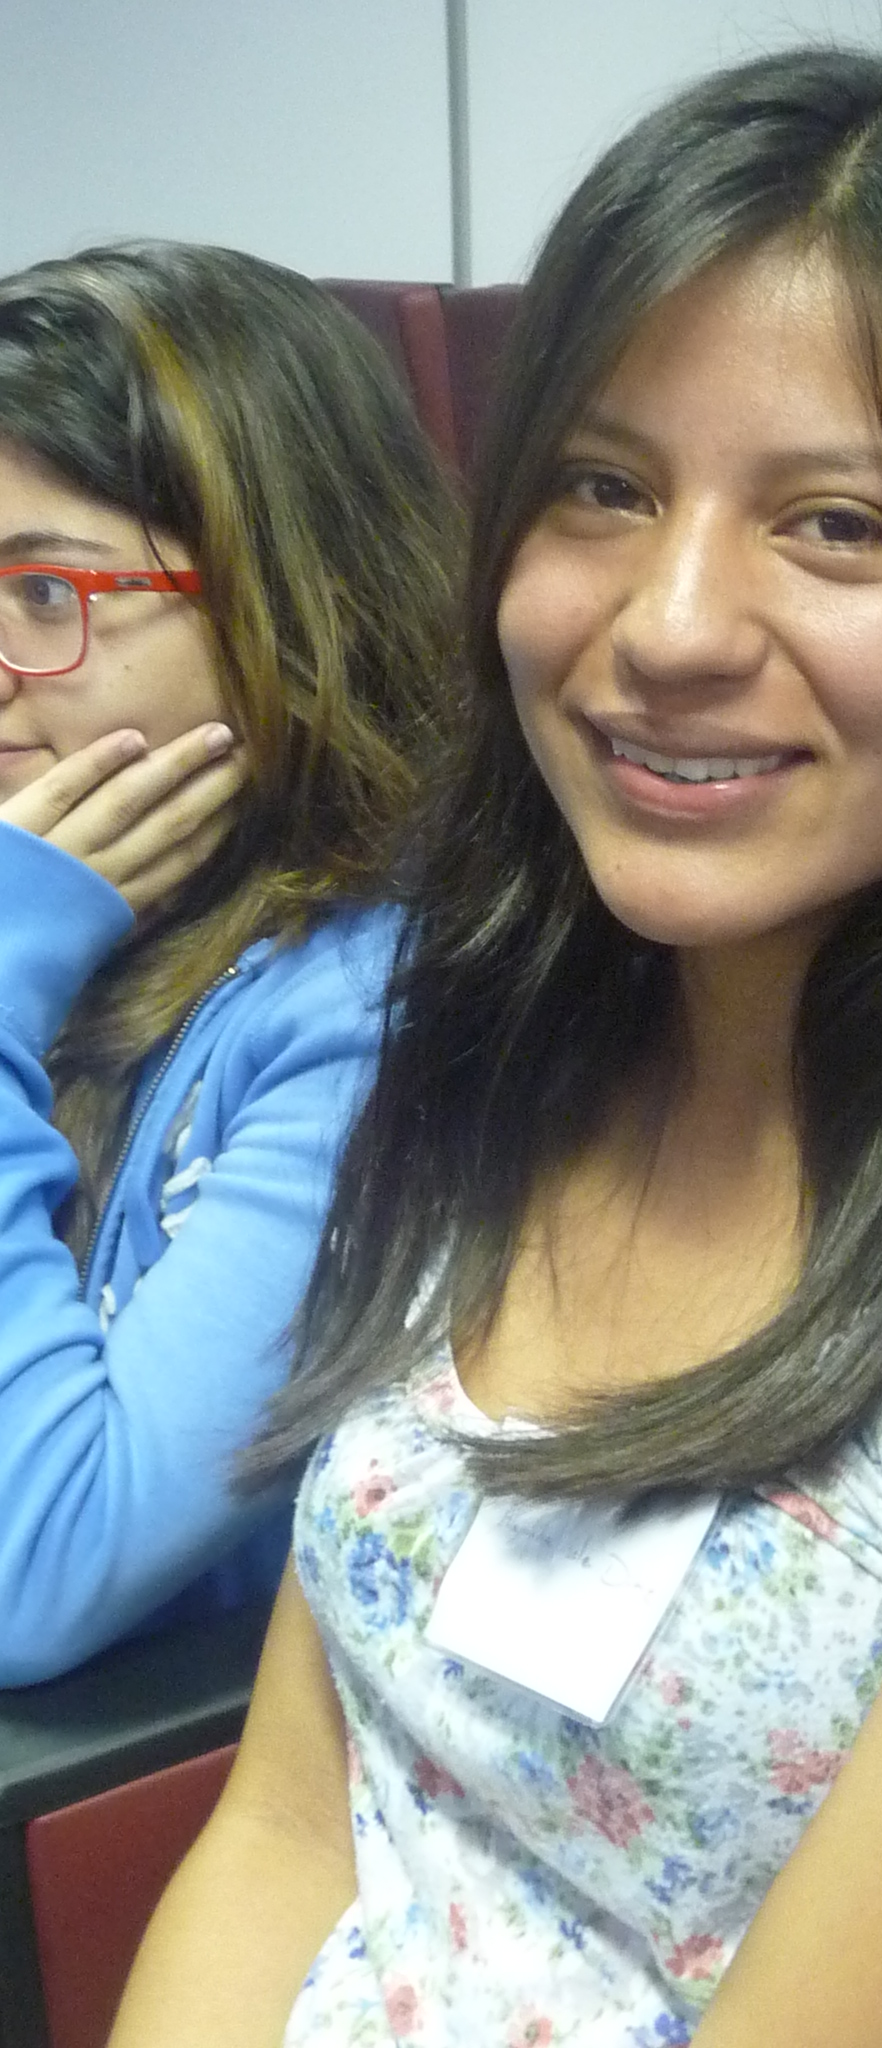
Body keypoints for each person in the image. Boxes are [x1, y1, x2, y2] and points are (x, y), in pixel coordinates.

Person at [112, 49, 882, 2048]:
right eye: (604, 488)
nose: (672, 624)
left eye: (842, 522)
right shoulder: (513, 1037)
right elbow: (289, 1825)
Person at [0, 243, 461, 1686]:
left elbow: (40, 1562)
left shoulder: (372, 1015)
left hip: (133, 1772)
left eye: (44, 595)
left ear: (286, 601)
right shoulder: (69, 903)